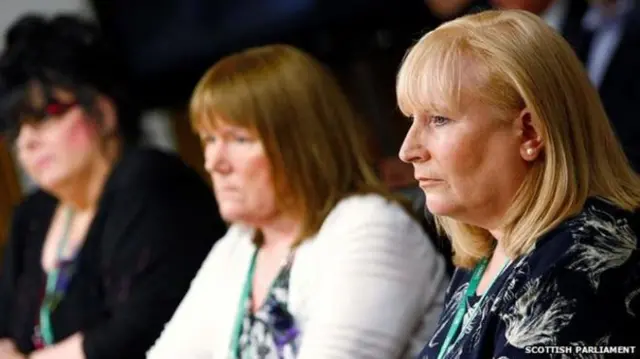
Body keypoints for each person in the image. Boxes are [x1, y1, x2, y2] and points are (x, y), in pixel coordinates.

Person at [146, 44, 449, 359]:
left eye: (239, 139)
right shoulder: (240, 244)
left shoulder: (373, 227)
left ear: (302, 144)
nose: (214, 162)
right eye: (209, 140)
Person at [396, 9, 640, 359]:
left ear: (529, 132)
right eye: (410, 120)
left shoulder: (579, 264)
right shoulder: (484, 260)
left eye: (439, 119)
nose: (408, 151)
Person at [0, 14, 227, 359]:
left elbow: (144, 328)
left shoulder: (152, 183)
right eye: (18, 127)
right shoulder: (33, 216)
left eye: (46, 116)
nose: (27, 140)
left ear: (104, 112)